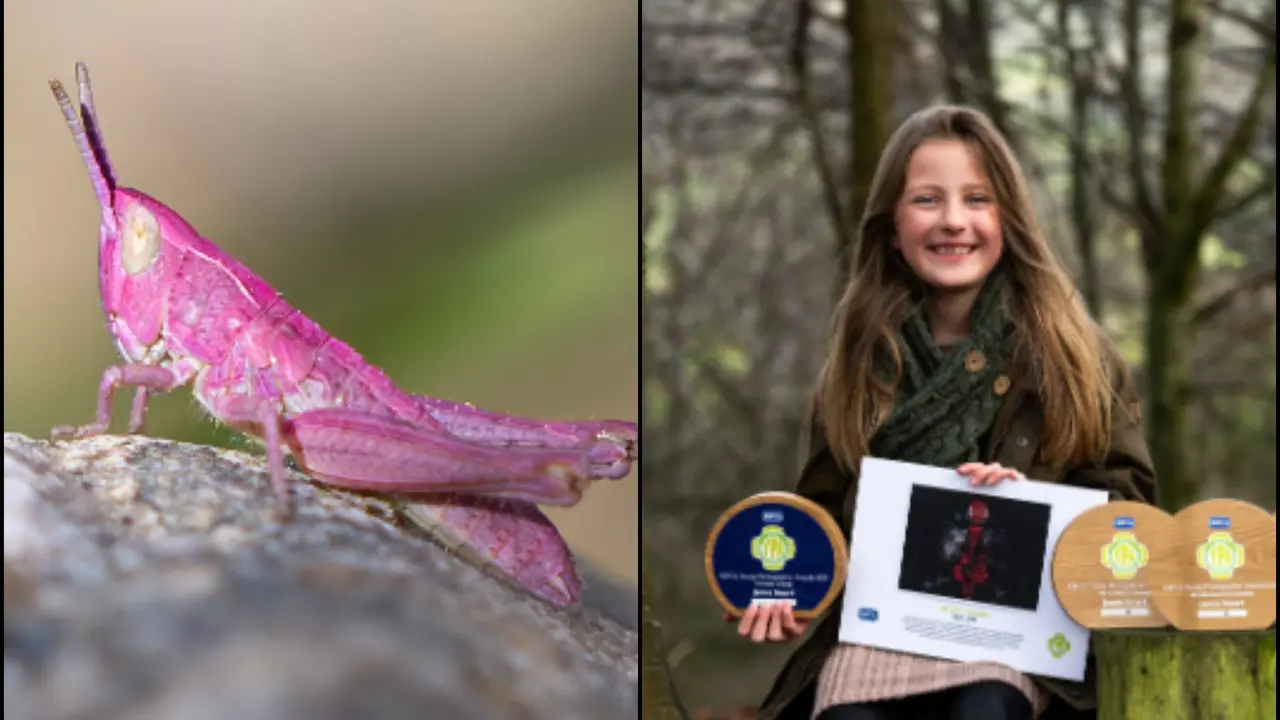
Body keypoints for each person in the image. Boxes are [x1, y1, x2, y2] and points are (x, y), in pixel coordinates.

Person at [735, 105, 1158, 720]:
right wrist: (775, 590)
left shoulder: (1077, 356)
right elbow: (820, 518)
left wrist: (1028, 511)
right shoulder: (857, 364)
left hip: (1020, 640)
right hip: (880, 633)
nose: (954, 221)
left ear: (1008, 219)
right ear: (891, 227)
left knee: (985, 711)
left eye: (978, 199)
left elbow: (1132, 512)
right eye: (928, 200)